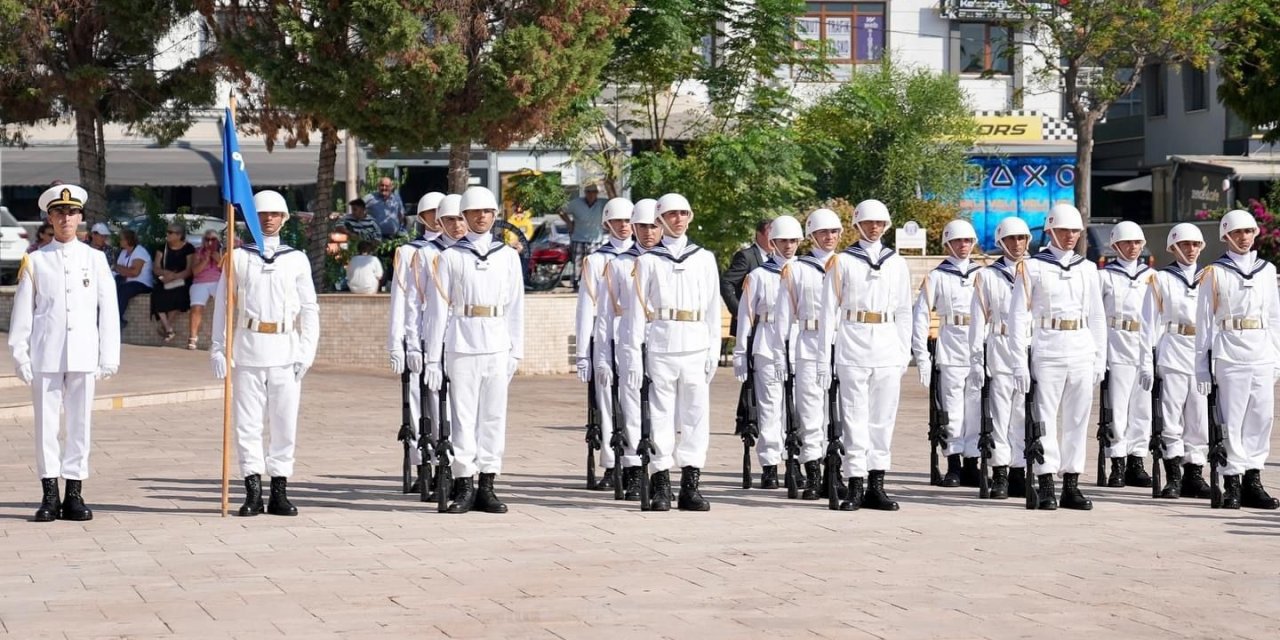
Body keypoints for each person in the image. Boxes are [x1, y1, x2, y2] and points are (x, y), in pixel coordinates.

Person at [8, 184, 120, 522]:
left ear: (81, 217)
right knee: (45, 426)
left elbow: (108, 310)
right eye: (59, 212)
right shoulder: (36, 260)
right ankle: (49, 494)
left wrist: (109, 354)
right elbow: (23, 311)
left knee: (79, 424)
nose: (65, 218)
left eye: (71, 212)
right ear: (49, 218)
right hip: (46, 353)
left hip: (84, 353)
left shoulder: (95, 259)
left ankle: (74, 493)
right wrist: (20, 354)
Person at [211, 190, 320, 517]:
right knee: (247, 424)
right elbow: (223, 308)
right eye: (262, 214)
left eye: (275, 214)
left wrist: (306, 350)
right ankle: (253, 490)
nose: (268, 219)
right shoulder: (238, 258)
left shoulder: (296, 259)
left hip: (286, 348)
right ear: (250, 219)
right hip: (248, 347)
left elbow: (310, 308)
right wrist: (219, 348)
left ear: (285, 219)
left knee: (284, 423)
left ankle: (280, 490)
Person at [423, 186, 524, 514]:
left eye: (487, 211)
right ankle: (464, 484)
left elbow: (515, 307)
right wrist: (432, 357)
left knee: (494, 417)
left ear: (495, 216)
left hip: (496, 343)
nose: (481, 217)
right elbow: (437, 310)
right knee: (463, 417)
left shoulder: (507, 256)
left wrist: (516, 350)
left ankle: (488, 485)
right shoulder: (450, 256)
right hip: (461, 343)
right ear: (463, 217)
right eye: (474, 212)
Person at [622, 193, 721, 512]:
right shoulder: (648, 261)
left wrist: (714, 349)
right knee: (661, 415)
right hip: (662, 343)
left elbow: (711, 309)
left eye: (684, 214)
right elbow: (635, 314)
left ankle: (690, 484)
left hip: (694, 343)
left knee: (695, 415)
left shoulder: (703, 258)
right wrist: (633, 356)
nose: (678, 219)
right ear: (661, 220)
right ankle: (661, 482)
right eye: (671, 215)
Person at [1008, 203, 1107, 511]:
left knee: (1077, 419)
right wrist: (1017, 360)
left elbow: (1097, 316)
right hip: (1048, 346)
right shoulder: (1033, 267)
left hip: (1080, 346)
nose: (1070, 236)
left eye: (1075, 231)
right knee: (1045, 419)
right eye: (1063, 230)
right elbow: (1017, 316)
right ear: (1050, 231)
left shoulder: (1088, 269)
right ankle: (1046, 480)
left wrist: (1099, 357)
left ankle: (1072, 484)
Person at [821, 199, 912, 511]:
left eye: (880, 223)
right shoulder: (843, 261)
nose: (874, 228)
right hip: (853, 342)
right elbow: (828, 312)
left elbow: (903, 311)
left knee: (883, 419)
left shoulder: (896, 263)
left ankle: (877, 484)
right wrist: (825, 357)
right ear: (857, 226)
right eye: (868, 223)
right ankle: (855, 483)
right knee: (854, 418)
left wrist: (903, 352)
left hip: (887, 344)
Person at [1194, 209, 1280, 510]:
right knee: (1232, 420)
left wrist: (1277, 358)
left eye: (1248, 232)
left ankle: (1253, 479)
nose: (1244, 238)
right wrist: (1201, 367)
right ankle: (1232, 479)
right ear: (1226, 237)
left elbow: (1274, 317)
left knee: (1261, 418)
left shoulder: (1267, 270)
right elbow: (1204, 324)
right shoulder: (1214, 272)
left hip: (1261, 351)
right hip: (1230, 352)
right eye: (1237, 233)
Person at [773, 208, 843, 500]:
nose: (829, 237)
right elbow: (782, 316)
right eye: (823, 232)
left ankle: (836, 470)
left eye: (834, 232)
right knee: (811, 413)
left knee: (840, 413)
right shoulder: (797, 269)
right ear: (811, 235)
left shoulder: (848, 264)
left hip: (842, 344)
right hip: (809, 342)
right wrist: (781, 354)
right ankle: (813, 472)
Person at [595, 198, 660, 501]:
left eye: (654, 226)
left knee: (662, 409)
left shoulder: (668, 263)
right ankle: (634, 469)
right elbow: (604, 316)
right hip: (627, 343)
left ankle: (660, 470)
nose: (648, 232)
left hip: (662, 343)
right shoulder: (618, 264)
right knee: (631, 406)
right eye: (642, 226)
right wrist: (600, 357)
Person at [1142, 223, 1212, 499]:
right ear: (1173, 247)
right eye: (1185, 245)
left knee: (1199, 417)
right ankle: (1173, 474)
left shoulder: (1209, 277)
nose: (1191, 250)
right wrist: (1147, 360)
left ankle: (1195, 474)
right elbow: (1149, 324)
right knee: (1170, 416)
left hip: (1199, 351)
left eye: (1195, 245)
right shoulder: (1161, 279)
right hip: (1172, 348)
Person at [912, 219, 984, 488]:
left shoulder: (983, 274)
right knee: (952, 410)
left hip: (976, 348)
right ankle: (953, 463)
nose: (963, 246)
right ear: (947, 244)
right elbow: (920, 317)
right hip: (951, 347)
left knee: (975, 407)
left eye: (967, 241)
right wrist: (922, 356)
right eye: (957, 241)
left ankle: (972, 463)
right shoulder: (936, 276)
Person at [734, 215, 802, 489]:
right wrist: (740, 352)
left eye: (793, 241)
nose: (788, 246)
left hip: (798, 344)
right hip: (767, 343)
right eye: (782, 241)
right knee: (770, 407)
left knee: (797, 408)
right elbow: (746, 316)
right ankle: (770, 464)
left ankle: (796, 459)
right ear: (772, 242)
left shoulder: (807, 272)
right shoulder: (759, 275)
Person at [968, 216, 1033, 500]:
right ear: (1001, 242)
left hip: (1029, 346)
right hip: (1000, 346)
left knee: (1023, 414)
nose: (1017, 244)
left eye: (1021, 238)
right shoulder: (987, 276)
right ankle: (1001, 472)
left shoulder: (1036, 271)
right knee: (999, 414)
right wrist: (975, 359)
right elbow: (977, 321)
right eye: (1011, 239)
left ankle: (1020, 470)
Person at [574, 197, 633, 491]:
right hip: (605, 338)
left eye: (628, 221)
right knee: (607, 405)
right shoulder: (597, 260)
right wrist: (583, 353)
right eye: (618, 221)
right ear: (607, 224)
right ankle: (611, 464)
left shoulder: (643, 257)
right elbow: (586, 308)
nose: (624, 226)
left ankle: (635, 461)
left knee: (634, 403)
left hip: (635, 341)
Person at [390, 191, 445, 495]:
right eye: (432, 212)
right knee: (416, 404)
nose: (438, 217)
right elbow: (401, 301)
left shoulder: (454, 249)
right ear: (422, 217)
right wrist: (397, 343)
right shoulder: (410, 251)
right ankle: (422, 461)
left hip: (446, 338)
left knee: (441, 405)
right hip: (417, 336)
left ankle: (444, 464)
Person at [1098, 221, 1156, 488]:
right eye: (1127, 243)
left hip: (1143, 345)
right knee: (1117, 410)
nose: (1132, 248)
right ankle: (1117, 462)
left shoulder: (1151, 276)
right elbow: (1096, 317)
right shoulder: (1105, 276)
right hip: (1116, 345)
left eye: (1137, 243)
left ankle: (1137, 460)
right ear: (1115, 246)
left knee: (1142, 409)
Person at [720, 220, 772, 338]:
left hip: (771, 326)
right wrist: (738, 311)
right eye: (771, 233)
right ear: (759, 234)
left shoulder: (777, 258)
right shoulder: (746, 256)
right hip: (749, 326)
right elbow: (726, 282)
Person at [151, 223, 195, 342]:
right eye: (167, 232)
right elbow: (156, 267)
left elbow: (189, 269)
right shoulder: (162, 248)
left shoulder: (189, 248)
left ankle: (166, 327)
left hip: (182, 280)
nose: (167, 235)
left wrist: (174, 276)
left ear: (179, 235)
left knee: (180, 294)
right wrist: (166, 274)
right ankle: (169, 328)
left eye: (170, 232)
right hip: (165, 279)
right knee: (157, 293)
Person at [559, 183, 605, 290]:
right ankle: (576, 283)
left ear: (597, 193)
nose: (591, 194)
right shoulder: (576, 203)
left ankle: (594, 283)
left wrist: (609, 184)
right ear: (585, 193)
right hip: (578, 238)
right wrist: (569, 223)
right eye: (588, 192)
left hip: (595, 239)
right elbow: (561, 209)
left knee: (594, 263)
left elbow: (614, 201)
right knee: (578, 262)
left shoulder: (602, 203)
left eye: (594, 192)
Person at [187, 231, 223, 350]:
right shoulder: (198, 252)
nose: (210, 242)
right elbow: (195, 271)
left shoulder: (223, 251)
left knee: (224, 304)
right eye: (207, 239)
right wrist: (205, 260)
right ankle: (193, 338)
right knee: (196, 307)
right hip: (200, 282)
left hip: (217, 281)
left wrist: (219, 259)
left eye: (213, 239)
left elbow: (229, 271)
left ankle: (223, 337)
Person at [112, 229, 154, 328]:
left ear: (128, 240)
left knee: (124, 290)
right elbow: (119, 270)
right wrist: (121, 269)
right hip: (127, 281)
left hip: (142, 283)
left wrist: (118, 268)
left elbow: (134, 272)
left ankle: (117, 318)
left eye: (121, 239)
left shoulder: (140, 251)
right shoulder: (123, 252)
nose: (120, 241)